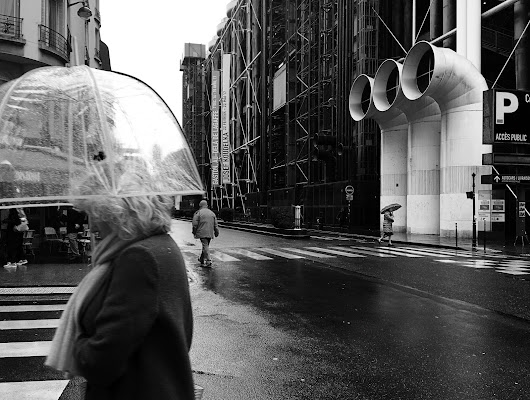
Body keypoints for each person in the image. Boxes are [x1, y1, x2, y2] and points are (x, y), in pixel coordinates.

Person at [45, 161, 195, 400]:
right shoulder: (163, 247)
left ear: (117, 211)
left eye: (94, 213)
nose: (91, 224)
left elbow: (102, 361)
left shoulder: (138, 258)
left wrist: (77, 343)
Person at [192, 200, 219, 268]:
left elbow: (195, 224)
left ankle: (209, 260)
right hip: (210, 232)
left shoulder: (198, 213)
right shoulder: (212, 213)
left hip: (202, 232)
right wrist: (216, 232)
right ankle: (201, 259)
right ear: (206, 205)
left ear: (200, 206)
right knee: (205, 246)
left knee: (205, 246)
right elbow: (215, 224)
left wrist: (194, 232)